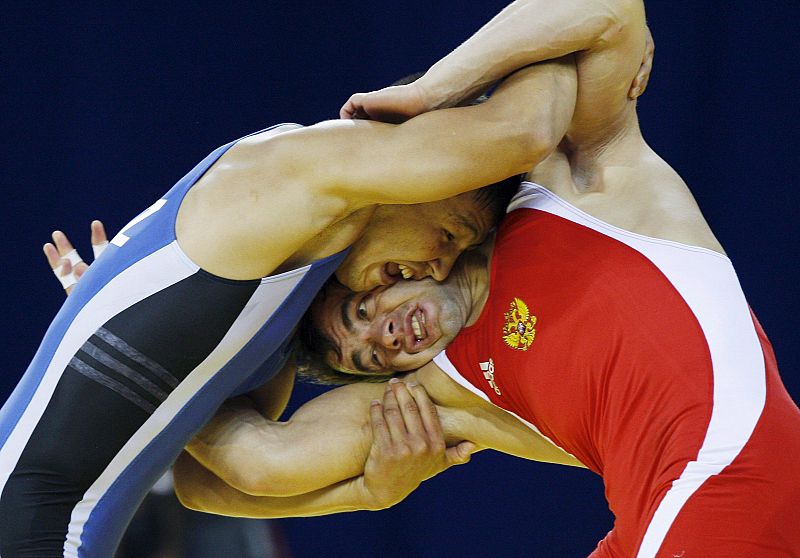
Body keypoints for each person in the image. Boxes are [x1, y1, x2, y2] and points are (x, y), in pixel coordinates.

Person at [161, 1, 800, 556]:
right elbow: (221, 477)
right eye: (369, 361)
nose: (383, 340)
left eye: (361, 311)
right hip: (663, 517)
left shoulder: (580, 182)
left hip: (724, 481)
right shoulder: (442, 395)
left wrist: (435, 89)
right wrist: (368, 493)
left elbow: (606, 8)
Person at [0, 54, 570, 556]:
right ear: (427, 168)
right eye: (450, 233)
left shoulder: (284, 301)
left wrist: (368, 493)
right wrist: (579, 33)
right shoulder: (300, 170)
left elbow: (211, 483)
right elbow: (527, 132)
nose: (440, 267)